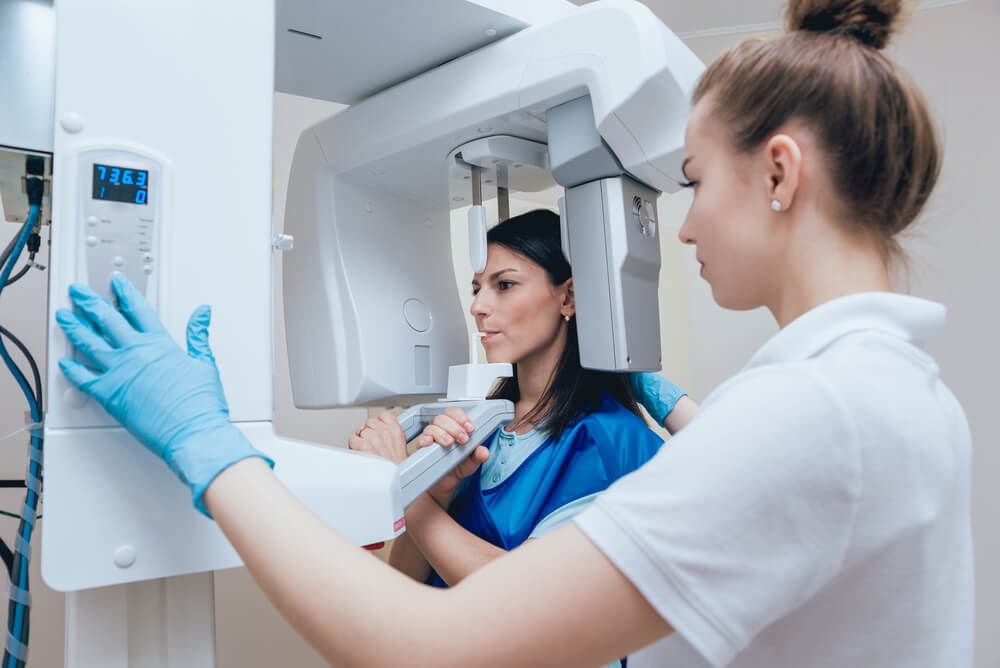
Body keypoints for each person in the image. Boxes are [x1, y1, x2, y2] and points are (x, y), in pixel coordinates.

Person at [54, 1, 973, 665]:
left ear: (778, 173)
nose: (682, 226)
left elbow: (429, 642)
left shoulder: (815, 411)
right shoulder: (882, 391)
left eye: (693, 181)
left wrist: (212, 450)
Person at [345, 210, 694, 595]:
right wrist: (437, 493)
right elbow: (408, 584)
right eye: (476, 288)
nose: (478, 307)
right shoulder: (479, 429)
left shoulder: (604, 440)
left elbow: (520, 594)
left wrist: (405, 488)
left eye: (505, 284)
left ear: (569, 297)